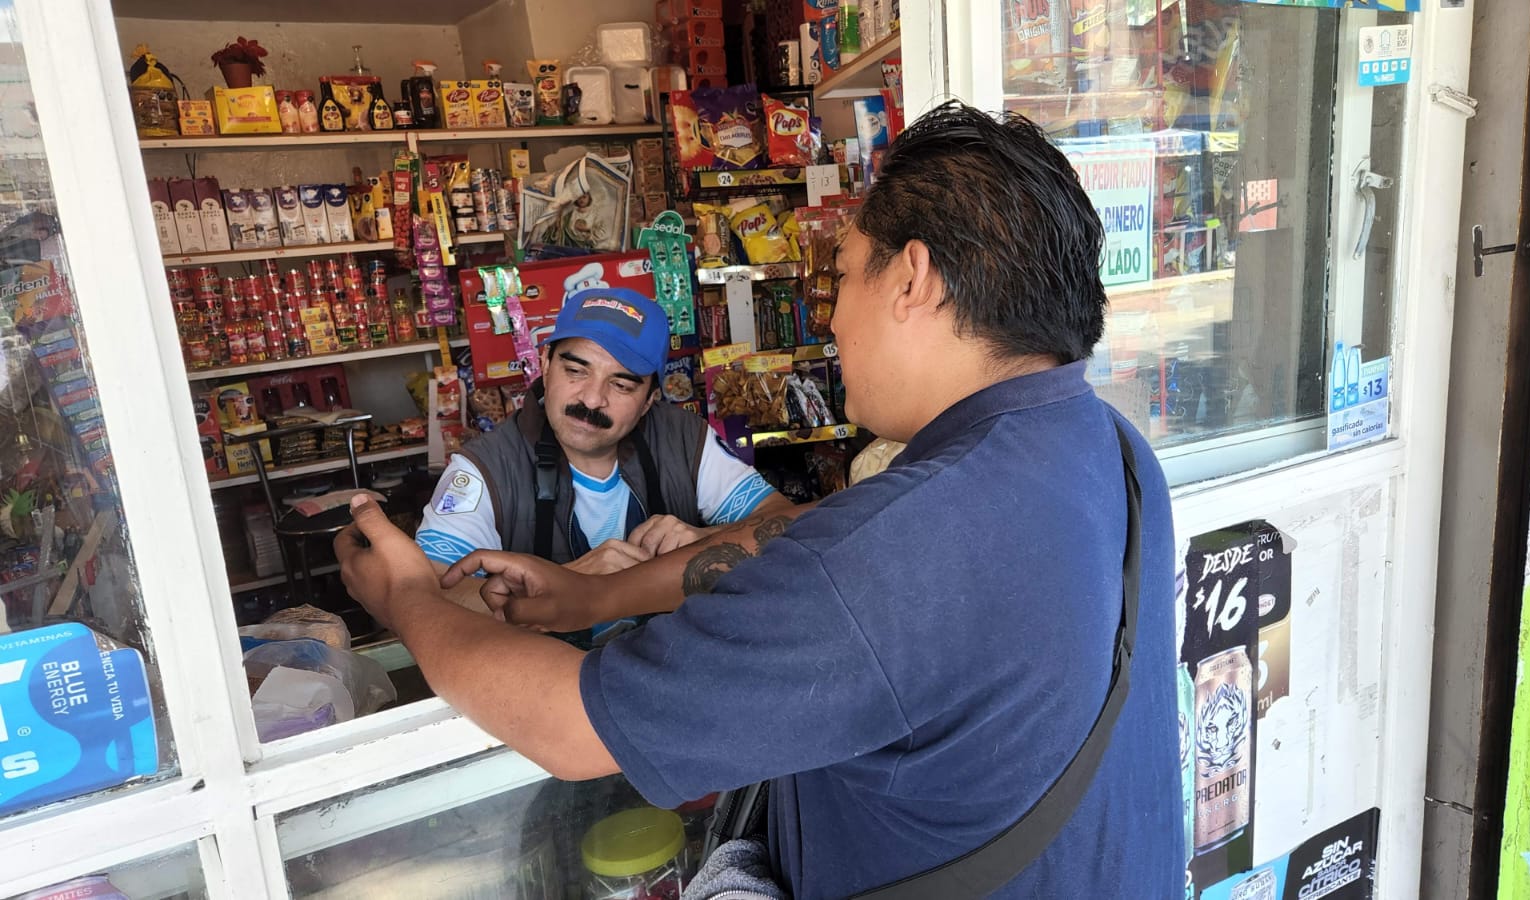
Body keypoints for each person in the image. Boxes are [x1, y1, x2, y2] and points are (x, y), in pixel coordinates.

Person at [338, 101, 1183, 897]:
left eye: (842, 275)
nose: (832, 322)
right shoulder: (1108, 446)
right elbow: (808, 534)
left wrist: (409, 598)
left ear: (913, 278)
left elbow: (569, 727)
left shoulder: (894, 552)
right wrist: (595, 595)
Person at [415, 285, 792, 633]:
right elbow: (425, 591)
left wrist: (704, 541)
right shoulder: (485, 468)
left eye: (621, 385)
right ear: (545, 364)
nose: (593, 399)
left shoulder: (683, 438)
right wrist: (570, 584)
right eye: (575, 371)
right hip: (545, 677)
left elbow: (785, 521)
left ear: (649, 400)